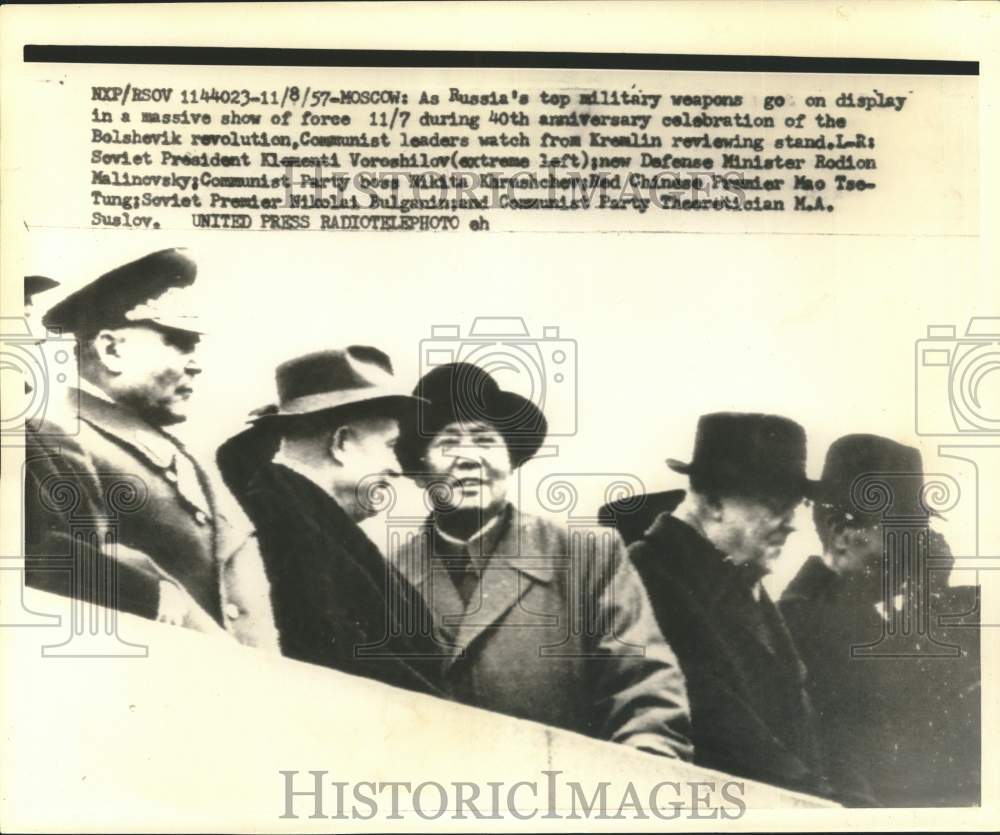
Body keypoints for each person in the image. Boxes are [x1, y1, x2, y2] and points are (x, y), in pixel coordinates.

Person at [392, 362, 693, 759]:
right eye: (447, 443)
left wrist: (640, 774)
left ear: (510, 460)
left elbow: (644, 687)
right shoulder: (386, 575)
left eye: (485, 440)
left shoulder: (587, 555)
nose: (469, 459)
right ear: (419, 471)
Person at [24, 248, 278, 649]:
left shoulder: (176, 449)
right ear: (111, 349)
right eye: (178, 342)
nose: (195, 364)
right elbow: (73, 575)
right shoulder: (58, 437)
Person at [216, 347, 447, 697]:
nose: (397, 468)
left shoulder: (294, 516)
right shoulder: (283, 528)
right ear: (341, 443)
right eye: (390, 446)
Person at [627, 412, 825, 795]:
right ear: (715, 500)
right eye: (774, 504)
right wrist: (819, 798)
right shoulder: (646, 575)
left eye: (796, 505)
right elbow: (712, 721)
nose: (792, 523)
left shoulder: (742, 582)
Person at [780, 434, 981, 806]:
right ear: (842, 533)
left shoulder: (867, 615)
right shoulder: (804, 621)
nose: (914, 551)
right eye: (903, 535)